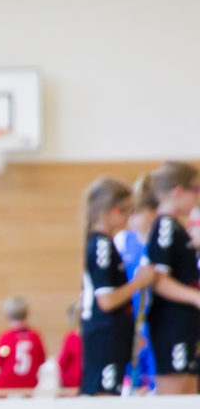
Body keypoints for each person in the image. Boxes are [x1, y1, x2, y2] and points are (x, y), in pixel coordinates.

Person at [80, 178, 155, 396]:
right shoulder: (101, 246)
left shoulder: (107, 243)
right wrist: (138, 282)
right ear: (112, 211)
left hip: (113, 337)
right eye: (127, 211)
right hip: (104, 339)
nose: (129, 217)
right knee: (102, 399)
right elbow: (107, 300)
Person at [141, 162, 200, 395]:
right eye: (194, 190)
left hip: (186, 326)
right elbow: (158, 279)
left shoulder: (178, 228)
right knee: (175, 402)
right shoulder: (165, 226)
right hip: (172, 325)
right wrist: (195, 297)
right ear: (178, 191)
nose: (196, 197)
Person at [114, 176, 159, 391]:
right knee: (129, 384)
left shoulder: (163, 241)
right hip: (129, 324)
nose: (132, 220)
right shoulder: (123, 241)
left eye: (138, 213)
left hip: (156, 324)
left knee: (156, 384)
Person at [0, 296, 46, 395]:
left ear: (8, 316)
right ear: (27, 314)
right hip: (30, 383)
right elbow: (42, 360)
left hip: (7, 383)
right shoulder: (35, 337)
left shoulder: (6, 338)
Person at [57, 303, 82, 393]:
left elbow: (62, 362)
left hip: (72, 384)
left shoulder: (71, 338)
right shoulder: (93, 337)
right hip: (87, 381)